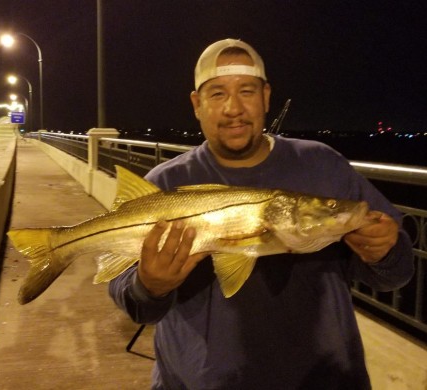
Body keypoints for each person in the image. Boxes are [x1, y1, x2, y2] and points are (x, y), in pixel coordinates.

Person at [109, 38, 414, 389]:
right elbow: (135, 305)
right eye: (218, 93)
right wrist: (149, 287)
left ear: (266, 96)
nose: (233, 108)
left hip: (325, 379)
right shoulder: (166, 183)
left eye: (247, 91)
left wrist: (385, 252)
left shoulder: (323, 164)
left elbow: (396, 273)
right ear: (197, 103)